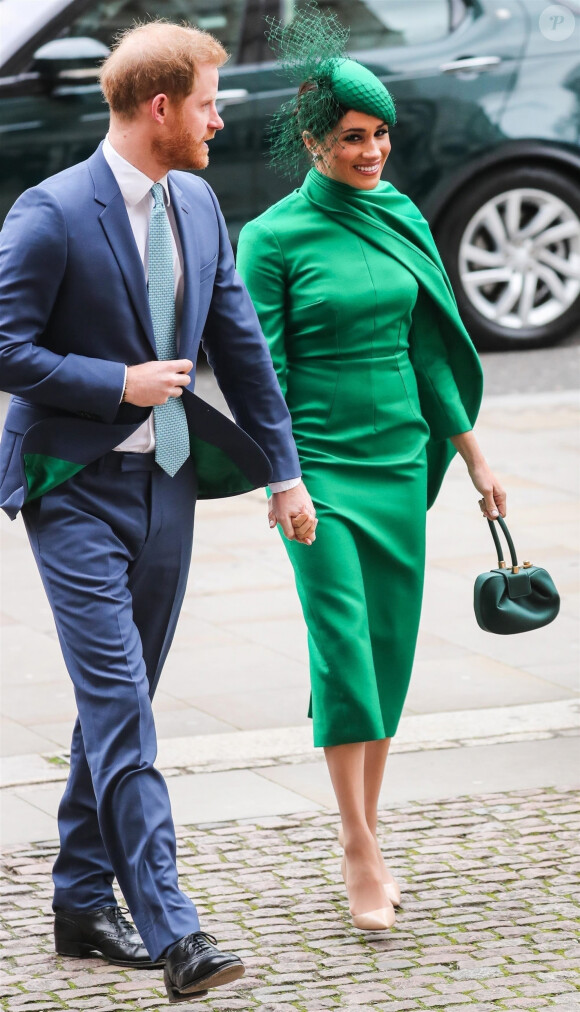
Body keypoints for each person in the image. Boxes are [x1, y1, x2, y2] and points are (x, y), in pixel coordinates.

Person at [0, 20, 316, 1004]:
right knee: (126, 710)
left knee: (115, 709)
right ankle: (177, 931)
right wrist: (115, 381)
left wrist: (284, 471)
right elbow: (4, 347)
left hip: (167, 487)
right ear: (161, 107)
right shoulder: (50, 215)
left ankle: (79, 900)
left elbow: (244, 349)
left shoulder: (200, 205)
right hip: (72, 488)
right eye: (211, 103)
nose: (222, 120)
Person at [237, 3, 506, 933]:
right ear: (314, 143)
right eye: (354, 136)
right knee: (344, 652)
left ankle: (368, 826)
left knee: (385, 657)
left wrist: (475, 459)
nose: (373, 150)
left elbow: (431, 351)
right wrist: (284, 479)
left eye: (382, 133)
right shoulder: (272, 240)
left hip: (399, 466)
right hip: (319, 477)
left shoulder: (398, 216)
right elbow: (260, 374)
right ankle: (358, 846)